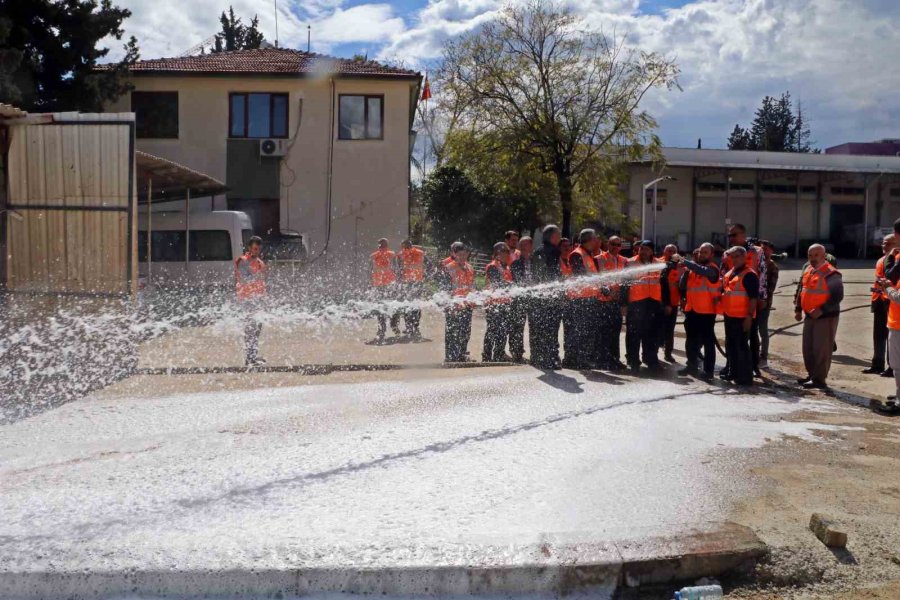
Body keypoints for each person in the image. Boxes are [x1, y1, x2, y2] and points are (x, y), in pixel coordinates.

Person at [795, 244, 844, 390]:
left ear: (823, 255)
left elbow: (837, 296)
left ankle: (819, 379)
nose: (812, 258)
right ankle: (812, 375)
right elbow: (802, 290)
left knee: (821, 349)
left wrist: (822, 310)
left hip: (825, 317)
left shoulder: (831, 273)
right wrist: (798, 309)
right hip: (810, 315)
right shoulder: (808, 270)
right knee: (808, 348)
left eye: (816, 255)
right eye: (810, 255)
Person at [676, 242, 720, 380]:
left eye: (705, 252)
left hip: (706, 312)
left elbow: (703, 271)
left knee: (708, 343)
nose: (701, 254)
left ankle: (708, 371)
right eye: (700, 252)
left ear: (712, 255)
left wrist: (686, 262)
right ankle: (691, 365)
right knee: (691, 341)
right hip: (692, 310)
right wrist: (684, 272)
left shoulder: (712, 269)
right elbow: (682, 286)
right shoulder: (693, 270)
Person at [622, 240, 665, 373]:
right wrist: (623, 304)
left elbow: (664, 284)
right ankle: (633, 360)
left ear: (652, 251)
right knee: (634, 333)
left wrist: (665, 303)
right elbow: (624, 284)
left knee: (651, 333)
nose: (643, 251)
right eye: (641, 249)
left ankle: (650, 359)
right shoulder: (630, 263)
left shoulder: (659, 264)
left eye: (646, 249)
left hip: (653, 303)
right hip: (636, 303)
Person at [720, 247, 758, 386]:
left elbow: (754, 298)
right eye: (732, 257)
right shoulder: (731, 273)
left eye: (737, 256)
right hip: (730, 315)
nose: (734, 259)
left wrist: (749, 317)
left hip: (742, 317)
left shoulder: (749, 275)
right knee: (731, 345)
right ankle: (734, 372)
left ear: (744, 257)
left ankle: (745, 378)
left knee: (742, 347)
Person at [565, 229, 601, 369]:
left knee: (586, 330)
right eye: (594, 238)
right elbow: (581, 275)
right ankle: (576, 360)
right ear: (588, 240)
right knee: (580, 330)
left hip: (589, 296)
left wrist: (600, 286)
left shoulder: (588, 254)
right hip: (580, 299)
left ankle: (581, 358)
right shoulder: (577, 254)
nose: (596, 241)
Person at [530, 225, 564, 369]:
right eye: (558, 235)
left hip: (539, 298)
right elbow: (553, 274)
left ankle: (539, 358)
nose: (560, 238)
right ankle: (549, 359)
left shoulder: (538, 250)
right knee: (551, 329)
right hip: (550, 298)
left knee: (541, 328)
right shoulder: (553, 250)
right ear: (552, 237)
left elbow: (538, 275)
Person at [864, 234, 896, 376]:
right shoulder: (881, 260)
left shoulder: (896, 261)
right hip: (878, 299)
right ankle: (877, 364)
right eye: (883, 243)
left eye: (888, 244)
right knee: (878, 335)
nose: (884, 246)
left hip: (890, 300)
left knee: (891, 336)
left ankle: (891, 367)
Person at [595, 235, 628, 370]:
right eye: (613, 244)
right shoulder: (599, 259)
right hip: (602, 302)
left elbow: (626, 283)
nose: (615, 247)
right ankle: (603, 360)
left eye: (618, 245)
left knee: (616, 332)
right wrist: (607, 291)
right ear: (607, 244)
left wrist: (623, 302)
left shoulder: (624, 261)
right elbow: (596, 279)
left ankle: (615, 359)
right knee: (603, 333)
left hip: (616, 303)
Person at [235, 235, 268, 366]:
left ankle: (253, 355)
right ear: (249, 248)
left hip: (258, 300)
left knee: (257, 328)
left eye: (259, 248)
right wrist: (256, 276)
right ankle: (249, 359)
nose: (257, 251)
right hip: (247, 300)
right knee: (250, 328)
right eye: (254, 248)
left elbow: (261, 283)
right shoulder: (243, 261)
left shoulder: (259, 262)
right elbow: (244, 278)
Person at [440, 241, 475, 362]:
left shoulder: (470, 267)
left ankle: (461, 354)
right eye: (460, 254)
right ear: (454, 254)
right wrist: (449, 304)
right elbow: (444, 289)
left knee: (465, 331)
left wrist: (474, 298)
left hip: (467, 305)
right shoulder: (448, 268)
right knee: (452, 332)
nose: (462, 257)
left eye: (465, 254)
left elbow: (472, 285)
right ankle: (450, 356)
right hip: (453, 306)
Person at [483, 242, 514, 362]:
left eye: (508, 252)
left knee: (503, 330)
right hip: (493, 304)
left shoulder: (506, 267)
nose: (508, 254)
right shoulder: (493, 266)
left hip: (504, 303)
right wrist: (513, 286)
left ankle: (499, 353)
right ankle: (486, 355)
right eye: (506, 251)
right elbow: (498, 283)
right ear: (498, 253)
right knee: (492, 330)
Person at [875, 274, 900, 404]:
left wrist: (888, 288)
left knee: (897, 365)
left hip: (898, 326)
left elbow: (898, 298)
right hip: (896, 324)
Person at [370, 238, 401, 343]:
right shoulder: (392, 255)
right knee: (392, 305)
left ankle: (382, 330)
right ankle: (393, 326)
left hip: (380, 286)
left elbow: (370, 271)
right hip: (389, 286)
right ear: (387, 245)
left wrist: (371, 284)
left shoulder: (374, 255)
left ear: (379, 245)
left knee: (381, 308)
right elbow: (397, 269)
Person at [509, 236, 534, 363]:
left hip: (534, 299)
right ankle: (517, 353)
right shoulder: (515, 264)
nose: (524, 248)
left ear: (531, 246)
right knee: (517, 326)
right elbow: (516, 282)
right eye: (521, 245)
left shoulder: (536, 262)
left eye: (526, 245)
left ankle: (535, 353)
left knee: (534, 325)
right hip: (520, 299)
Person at [757, 240, 780, 370]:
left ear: (771, 251)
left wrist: (764, 300)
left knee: (763, 330)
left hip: (764, 303)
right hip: (753, 302)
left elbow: (771, 287)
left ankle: (763, 357)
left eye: (765, 249)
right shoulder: (756, 263)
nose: (763, 251)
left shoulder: (772, 267)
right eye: (761, 249)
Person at [398, 239, 428, 339]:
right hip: (418, 282)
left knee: (407, 304)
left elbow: (398, 269)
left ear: (404, 246)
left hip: (407, 283)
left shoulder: (402, 254)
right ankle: (415, 327)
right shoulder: (420, 253)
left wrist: (399, 280)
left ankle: (409, 327)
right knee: (416, 304)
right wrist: (425, 276)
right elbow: (430, 265)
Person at [659, 243, 681, 363]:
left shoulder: (681, 266)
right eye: (669, 250)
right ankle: (653, 352)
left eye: (674, 250)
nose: (671, 252)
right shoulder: (658, 263)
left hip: (673, 303)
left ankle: (668, 353)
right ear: (664, 251)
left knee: (669, 330)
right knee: (657, 327)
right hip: (660, 302)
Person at [559, 237, 575, 366]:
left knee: (569, 330)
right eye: (564, 246)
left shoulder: (570, 261)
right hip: (559, 301)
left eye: (569, 246)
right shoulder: (556, 261)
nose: (567, 248)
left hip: (570, 300)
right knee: (554, 330)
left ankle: (568, 357)